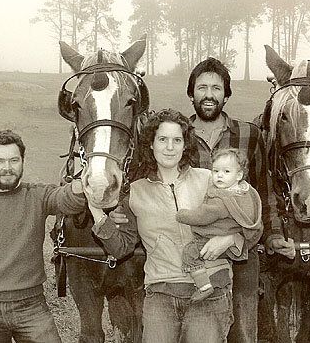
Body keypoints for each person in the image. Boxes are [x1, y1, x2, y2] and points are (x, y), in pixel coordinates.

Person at [89, 109, 234, 343]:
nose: (170, 147)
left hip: (210, 293)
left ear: (186, 145)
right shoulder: (135, 192)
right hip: (161, 296)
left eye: (177, 140)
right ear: (150, 145)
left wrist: (230, 239)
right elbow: (121, 248)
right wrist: (96, 212)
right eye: (163, 139)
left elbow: (250, 222)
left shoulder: (209, 180)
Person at [186, 57, 295, 342]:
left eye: (216, 88)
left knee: (244, 330)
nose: (209, 95)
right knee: (198, 327)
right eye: (202, 88)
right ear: (191, 93)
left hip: (242, 250)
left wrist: (272, 235)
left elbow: (265, 190)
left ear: (226, 94)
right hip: (197, 246)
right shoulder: (177, 135)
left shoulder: (249, 133)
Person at [0, 130, 85, 343]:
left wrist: (84, 181)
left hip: (32, 306)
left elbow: (68, 200)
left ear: (23, 161)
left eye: (14, 160)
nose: (7, 168)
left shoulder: (38, 196)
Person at [176, 148, 263, 303]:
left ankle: (203, 286)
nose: (219, 175)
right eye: (215, 171)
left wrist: (182, 215)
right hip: (235, 241)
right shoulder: (245, 192)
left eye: (226, 171)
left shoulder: (221, 199)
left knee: (190, 253)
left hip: (216, 236)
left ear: (239, 175)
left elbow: (202, 216)